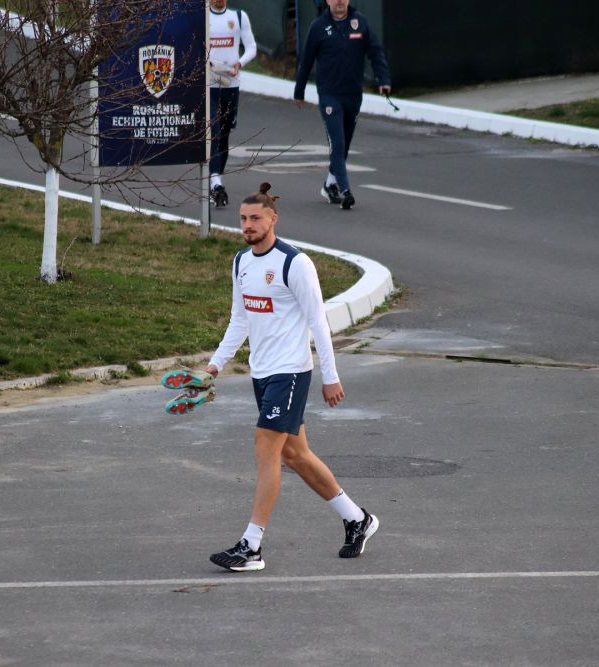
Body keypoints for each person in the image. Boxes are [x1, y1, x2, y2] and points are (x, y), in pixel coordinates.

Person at [204, 182, 379, 572]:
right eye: (243, 219)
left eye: (255, 218)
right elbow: (239, 320)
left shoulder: (294, 263)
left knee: (266, 450)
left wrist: (330, 377)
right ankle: (357, 519)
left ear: (273, 219)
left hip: (291, 373)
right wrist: (214, 364)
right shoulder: (241, 262)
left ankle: (251, 546)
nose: (247, 225)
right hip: (262, 373)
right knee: (295, 455)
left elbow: (319, 322)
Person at [294, 0, 391, 210]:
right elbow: (307, 60)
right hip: (329, 95)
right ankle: (345, 190)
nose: (339, 1)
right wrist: (299, 91)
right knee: (337, 143)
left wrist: (383, 80)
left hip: (353, 94)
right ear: (327, 1)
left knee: (345, 144)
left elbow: (375, 52)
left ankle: (329, 184)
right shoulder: (319, 26)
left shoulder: (360, 22)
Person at [207, 0, 257, 208]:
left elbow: (251, 47)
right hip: (209, 85)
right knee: (214, 131)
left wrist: (240, 63)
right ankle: (215, 182)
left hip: (231, 84)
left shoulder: (238, 17)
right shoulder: (203, 17)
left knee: (224, 134)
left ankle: (216, 179)